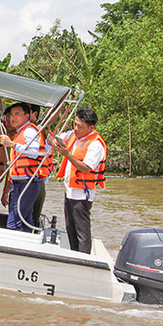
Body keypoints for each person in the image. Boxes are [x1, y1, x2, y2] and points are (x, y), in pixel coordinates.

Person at [47, 107, 106, 254]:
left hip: (82, 194)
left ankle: (84, 259)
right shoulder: (73, 135)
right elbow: (50, 137)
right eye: (75, 124)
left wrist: (67, 155)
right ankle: (75, 254)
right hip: (70, 191)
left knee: (82, 232)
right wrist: (54, 141)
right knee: (70, 228)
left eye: (80, 126)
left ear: (91, 128)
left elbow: (86, 168)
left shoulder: (95, 144)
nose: (76, 128)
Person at [0, 103, 48, 232]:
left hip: (28, 182)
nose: (13, 118)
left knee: (14, 222)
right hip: (20, 183)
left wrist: (12, 144)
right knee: (26, 220)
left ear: (27, 116)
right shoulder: (20, 132)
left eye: (17, 114)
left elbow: (34, 153)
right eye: (11, 115)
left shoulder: (30, 131)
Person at [29, 104, 54, 228]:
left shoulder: (41, 132)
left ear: (34, 114)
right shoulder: (24, 131)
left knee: (32, 217)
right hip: (24, 180)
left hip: (36, 180)